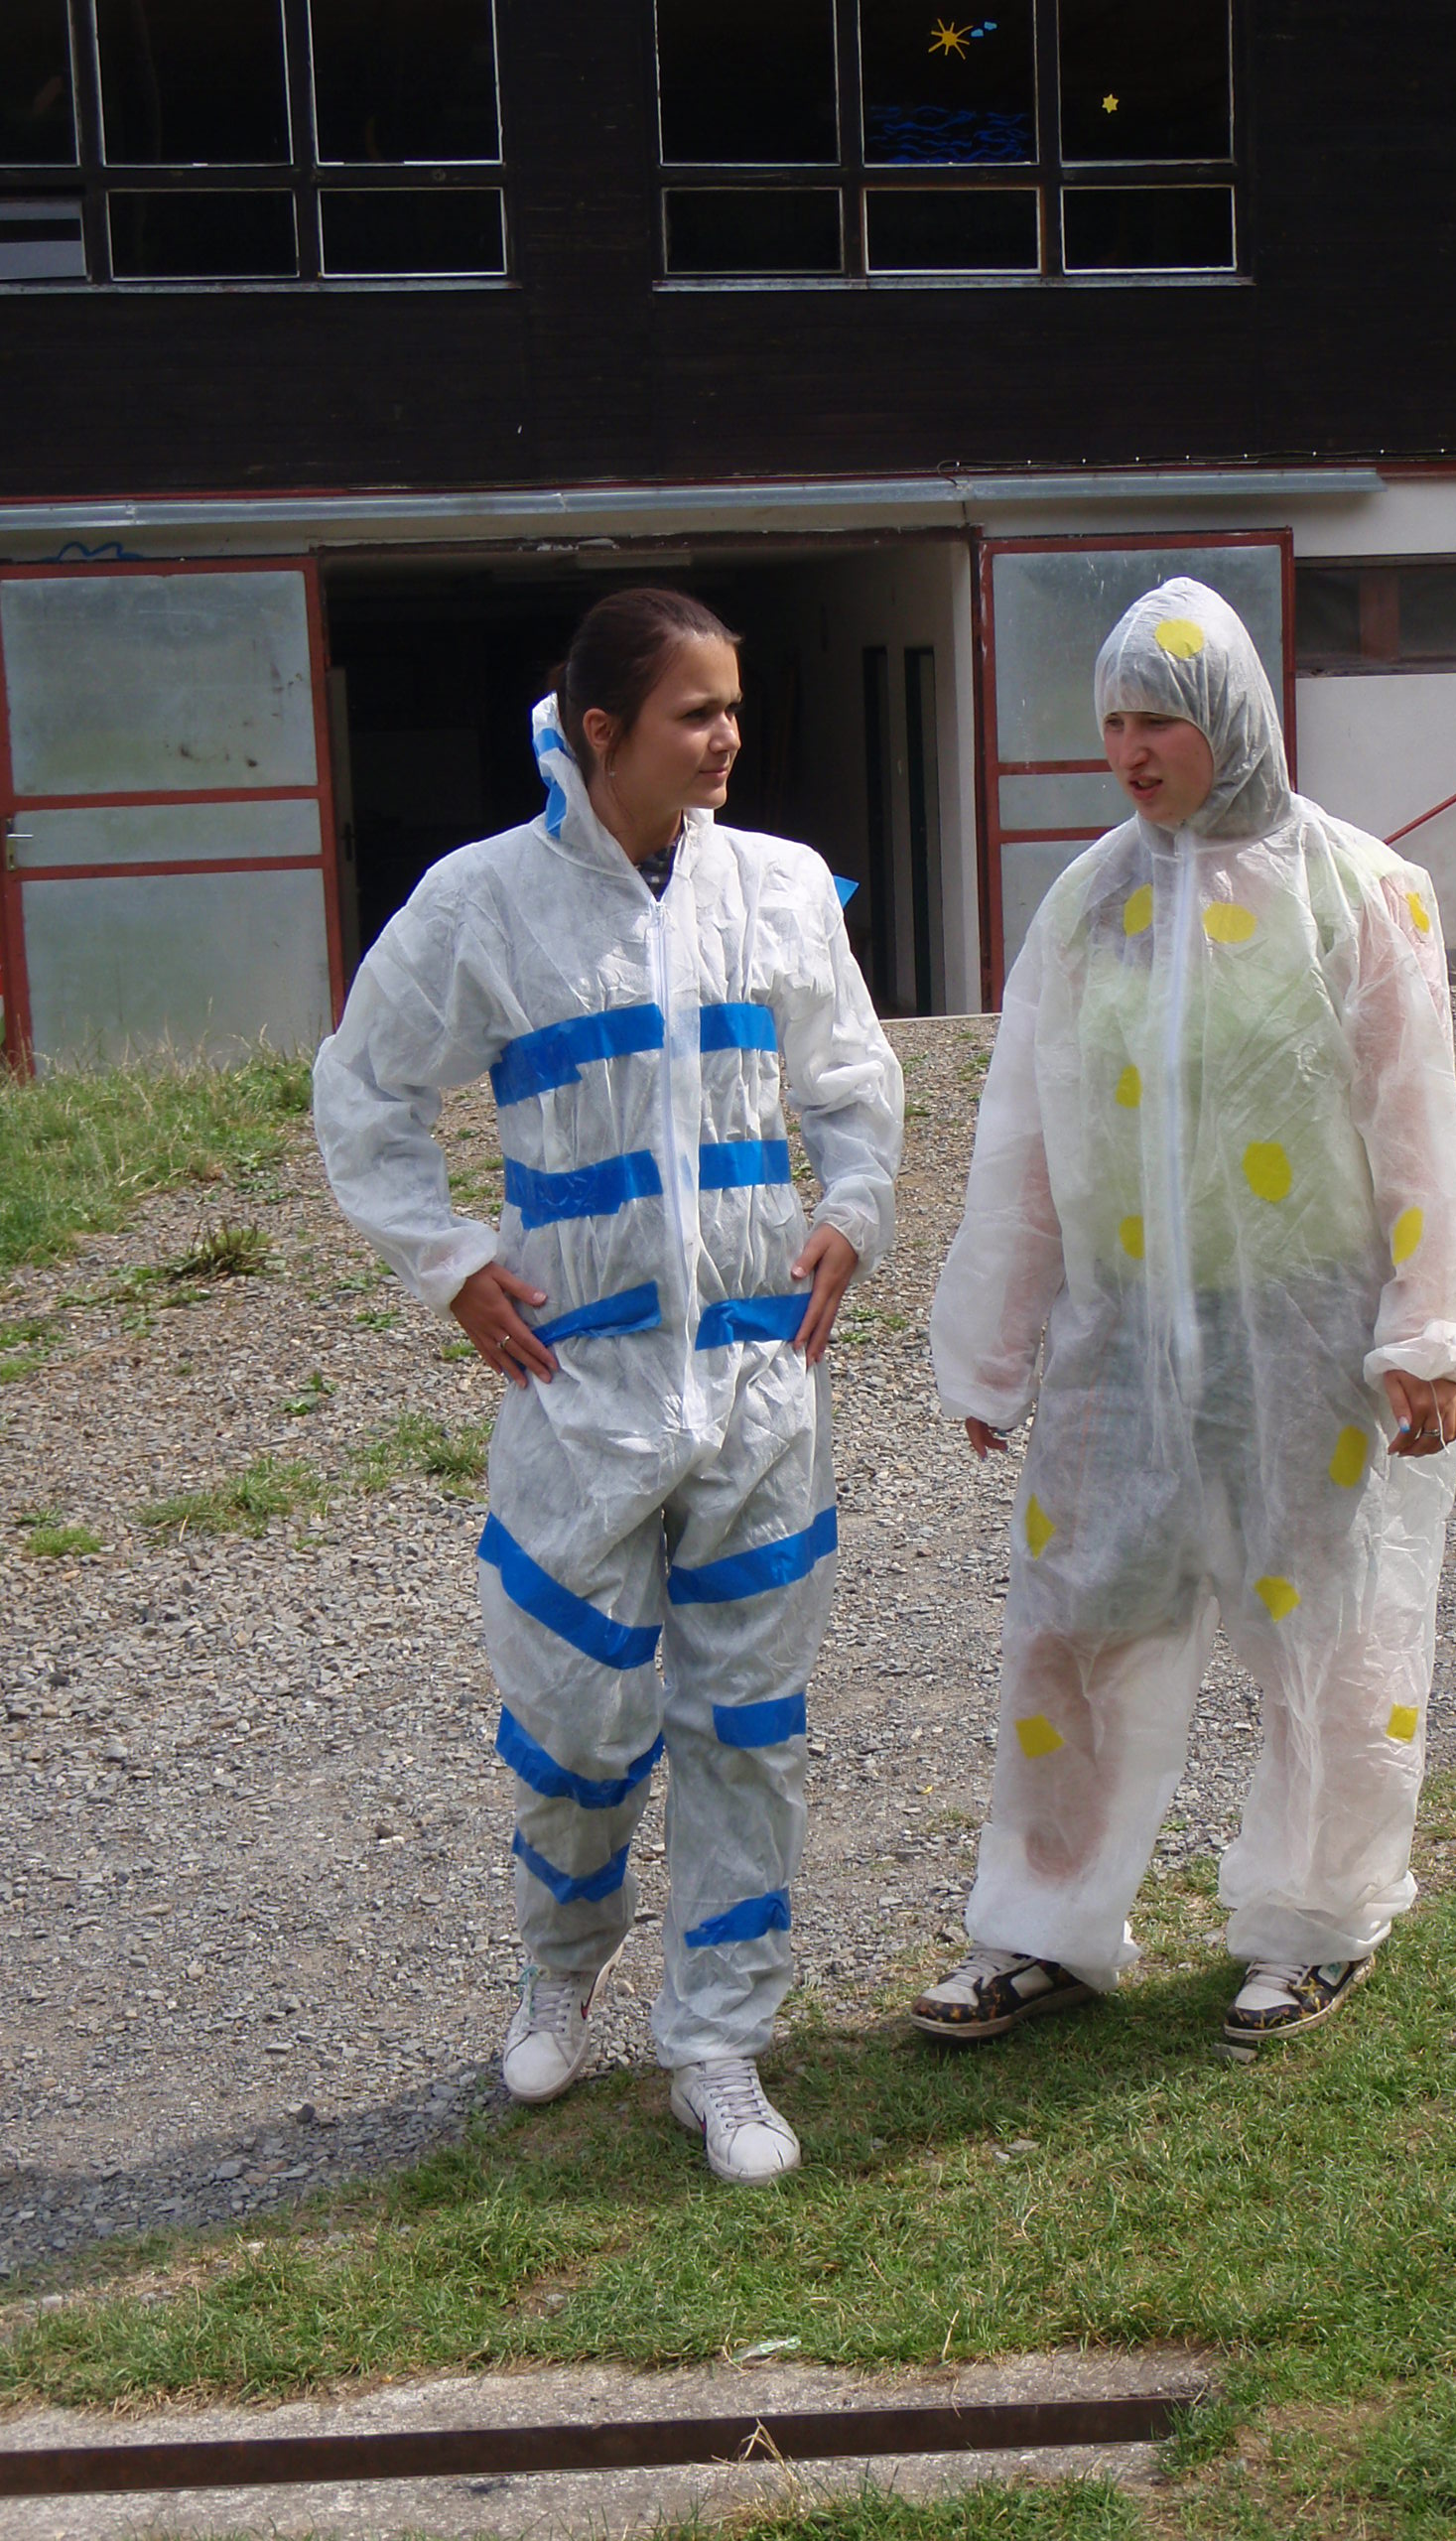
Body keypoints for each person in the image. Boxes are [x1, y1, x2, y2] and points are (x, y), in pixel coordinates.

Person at [314, 588, 903, 2182]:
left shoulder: (779, 887)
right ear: (601, 732)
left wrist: (853, 1208)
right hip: (581, 1393)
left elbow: (852, 1076)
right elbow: (362, 1090)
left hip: (758, 1386)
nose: (727, 738)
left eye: (733, 708)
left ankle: (718, 2042)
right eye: (695, 713)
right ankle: (561, 1961)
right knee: (576, 1725)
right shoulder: (483, 904)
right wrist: (448, 1260)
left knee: (746, 1731)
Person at [911, 578, 1456, 2058]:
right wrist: (995, 1344)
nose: (1129, 750)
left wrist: (1428, 1335)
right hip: (1120, 1347)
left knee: (1325, 1634)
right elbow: (1025, 1138)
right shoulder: (1089, 903)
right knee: (1074, 1626)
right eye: (1111, 721)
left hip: (1303, 1339)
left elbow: (1415, 1124)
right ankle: (1042, 1926)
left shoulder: (1357, 891)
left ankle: (1316, 1922)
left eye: (1157, 719)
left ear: (1230, 716)